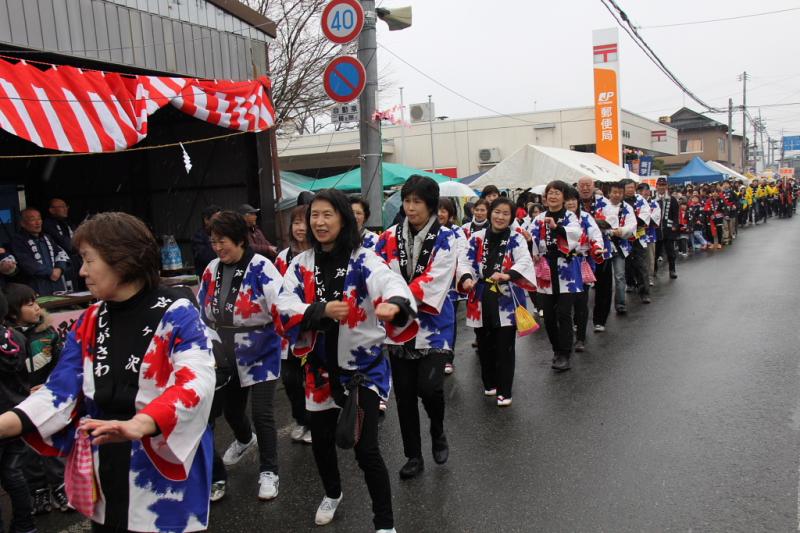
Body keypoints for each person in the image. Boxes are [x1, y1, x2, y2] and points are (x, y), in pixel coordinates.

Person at [0, 212, 216, 533]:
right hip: (106, 464)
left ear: (122, 259)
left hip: (162, 468)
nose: (83, 271)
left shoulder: (177, 312)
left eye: (89, 260)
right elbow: (58, 393)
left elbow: (196, 382)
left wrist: (140, 423)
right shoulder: (90, 320)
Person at [277, 188, 417, 533]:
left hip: (361, 371)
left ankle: (384, 523)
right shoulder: (301, 263)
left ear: (343, 218)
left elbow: (390, 281)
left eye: (328, 215)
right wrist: (318, 310)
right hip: (319, 371)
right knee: (322, 443)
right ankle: (332, 493)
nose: (320, 222)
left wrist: (395, 304)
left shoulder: (363, 259)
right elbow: (283, 303)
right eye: (315, 216)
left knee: (366, 449)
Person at [197, 211, 284, 501]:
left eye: (223, 241)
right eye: (213, 241)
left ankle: (269, 471)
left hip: (260, 346)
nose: (218, 247)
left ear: (239, 240)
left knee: (262, 412)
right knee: (232, 411)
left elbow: (281, 305)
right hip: (223, 349)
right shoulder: (211, 268)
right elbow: (201, 307)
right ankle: (246, 440)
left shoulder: (262, 267)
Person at [375, 175, 457, 480]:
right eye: (407, 201)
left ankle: (437, 430)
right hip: (398, 329)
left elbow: (435, 280)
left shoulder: (448, 238)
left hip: (434, 325)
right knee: (406, 395)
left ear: (431, 205)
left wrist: (397, 299)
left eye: (417, 202)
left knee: (430, 387)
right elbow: (376, 272)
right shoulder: (388, 237)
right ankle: (413, 455)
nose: (410, 208)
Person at [457, 197, 536, 405]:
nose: (500, 217)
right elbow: (464, 261)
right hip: (481, 294)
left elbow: (525, 260)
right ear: (490, 212)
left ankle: (505, 390)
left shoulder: (516, 238)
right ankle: (490, 383)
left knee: (505, 345)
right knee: (484, 342)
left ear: (511, 217)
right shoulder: (476, 237)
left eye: (506, 214)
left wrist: (508, 274)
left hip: (506, 295)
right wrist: (465, 278)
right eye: (497, 212)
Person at [3, 283, 67, 515]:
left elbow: (63, 365)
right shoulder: (9, 339)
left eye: (37, 303)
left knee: (51, 442)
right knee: (27, 450)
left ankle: (61, 486)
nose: (37, 309)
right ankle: (38, 491)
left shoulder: (48, 333)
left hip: (46, 398)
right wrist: (23, 391)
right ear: (12, 312)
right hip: (20, 402)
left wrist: (49, 385)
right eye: (30, 305)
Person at [530, 181, 583, 371]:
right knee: (549, 316)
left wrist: (557, 228)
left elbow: (576, 235)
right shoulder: (539, 218)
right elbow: (532, 239)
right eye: (549, 193)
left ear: (563, 197)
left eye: (556, 193)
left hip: (566, 269)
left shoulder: (569, 216)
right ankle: (556, 349)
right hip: (545, 270)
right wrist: (530, 245)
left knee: (563, 313)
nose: (552, 196)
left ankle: (565, 353)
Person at [274, 205, 312, 444]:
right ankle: (301, 419)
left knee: (316, 377)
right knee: (290, 379)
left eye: (304, 222)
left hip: (315, 326)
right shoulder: (281, 257)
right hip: (289, 330)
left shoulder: (322, 254)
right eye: (295, 222)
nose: (300, 227)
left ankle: (316, 421)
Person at [0, 290, 37, 533]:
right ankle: (24, 524)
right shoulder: (14, 336)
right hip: (17, 411)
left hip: (5, 414)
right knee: (13, 474)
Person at [564, 192, 605, 352]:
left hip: (581, 263)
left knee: (581, 301)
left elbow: (596, 235)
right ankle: (565, 339)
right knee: (564, 304)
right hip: (561, 265)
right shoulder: (556, 218)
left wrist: (597, 247)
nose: (571, 202)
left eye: (573, 199)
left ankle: (580, 337)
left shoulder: (586, 217)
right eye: (567, 199)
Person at [594, 181, 637, 319]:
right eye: (614, 192)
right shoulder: (601, 205)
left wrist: (621, 231)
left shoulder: (627, 208)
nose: (617, 195)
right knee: (603, 278)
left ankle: (621, 303)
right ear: (609, 193)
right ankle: (602, 307)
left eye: (619, 192)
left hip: (620, 245)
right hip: (603, 245)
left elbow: (632, 225)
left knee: (619, 275)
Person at [437, 198, 466, 375]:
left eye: (444, 210)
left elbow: (462, 254)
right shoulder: (429, 230)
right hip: (429, 284)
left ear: (450, 214)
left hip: (450, 285)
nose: (440, 214)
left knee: (449, 320)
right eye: (437, 210)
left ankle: (448, 356)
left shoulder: (457, 232)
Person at [11, 208, 70, 296]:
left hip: (57, 284)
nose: (37, 222)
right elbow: (25, 262)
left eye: (39, 218)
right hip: (35, 286)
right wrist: (50, 272)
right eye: (32, 219)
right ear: (22, 223)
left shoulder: (47, 237)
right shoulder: (17, 241)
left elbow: (61, 253)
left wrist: (59, 268)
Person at [621, 179, 652, 304]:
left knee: (641, 264)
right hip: (624, 236)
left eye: (632, 187)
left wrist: (633, 223)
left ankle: (644, 292)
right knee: (627, 263)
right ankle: (630, 283)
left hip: (639, 236)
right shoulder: (619, 202)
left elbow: (645, 215)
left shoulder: (641, 200)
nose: (630, 190)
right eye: (627, 187)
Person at [43, 198, 83, 291]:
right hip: (64, 264)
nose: (65, 209)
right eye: (62, 207)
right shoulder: (48, 224)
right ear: (51, 210)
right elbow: (66, 244)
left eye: (66, 206)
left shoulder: (69, 223)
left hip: (77, 261)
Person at [654, 177, 679, 280]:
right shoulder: (653, 199)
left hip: (668, 230)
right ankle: (654, 270)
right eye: (660, 185)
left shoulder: (672, 199)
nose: (661, 187)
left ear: (666, 186)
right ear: (656, 187)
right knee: (655, 252)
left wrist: (675, 226)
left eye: (663, 185)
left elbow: (675, 215)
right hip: (656, 230)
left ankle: (672, 270)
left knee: (670, 252)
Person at [191, 205, 223, 277]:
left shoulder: (223, 234)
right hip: (207, 276)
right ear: (206, 220)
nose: (220, 220)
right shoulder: (199, 237)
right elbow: (206, 257)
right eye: (217, 218)